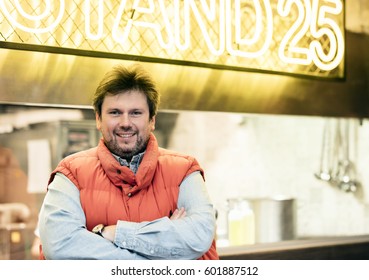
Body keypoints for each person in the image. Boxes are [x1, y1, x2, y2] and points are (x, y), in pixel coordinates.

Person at [38, 64, 219, 260]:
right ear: (98, 118)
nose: (125, 122)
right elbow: (59, 246)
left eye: (136, 113)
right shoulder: (70, 173)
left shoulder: (184, 170)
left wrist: (112, 233)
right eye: (115, 112)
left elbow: (199, 236)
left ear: (152, 120)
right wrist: (161, 252)